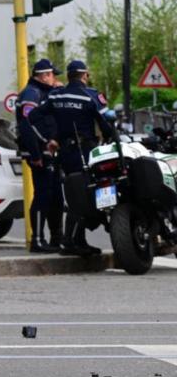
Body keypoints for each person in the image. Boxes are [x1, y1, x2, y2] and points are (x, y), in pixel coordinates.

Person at [29, 59, 118, 257]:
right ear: (84, 75)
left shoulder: (56, 95)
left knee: (73, 194)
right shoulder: (91, 96)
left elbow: (32, 118)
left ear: (68, 76)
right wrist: (110, 138)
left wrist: (47, 140)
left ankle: (75, 240)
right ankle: (72, 240)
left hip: (65, 154)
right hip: (86, 152)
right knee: (86, 194)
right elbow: (106, 126)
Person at [16, 59, 62, 253]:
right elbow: (28, 124)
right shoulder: (31, 93)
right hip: (41, 153)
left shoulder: (43, 92)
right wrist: (37, 152)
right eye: (52, 75)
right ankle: (38, 240)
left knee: (55, 197)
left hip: (49, 152)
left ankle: (55, 238)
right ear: (44, 75)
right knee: (43, 196)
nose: (54, 79)